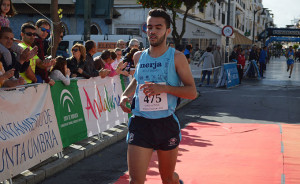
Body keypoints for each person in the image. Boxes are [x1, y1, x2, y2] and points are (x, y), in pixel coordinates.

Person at [120, 9, 196, 184]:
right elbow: (137, 81)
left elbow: (192, 92)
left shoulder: (177, 58)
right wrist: (125, 96)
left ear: (167, 31)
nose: (152, 31)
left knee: (168, 179)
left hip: (165, 123)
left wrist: (163, 88)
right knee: (135, 181)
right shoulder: (139, 56)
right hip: (140, 123)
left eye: (158, 27)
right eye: (149, 27)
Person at [33, 19, 55, 84]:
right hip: (33, 75)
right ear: (36, 28)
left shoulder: (39, 40)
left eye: (47, 31)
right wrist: (47, 79)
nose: (45, 32)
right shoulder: (37, 40)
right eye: (43, 30)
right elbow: (40, 65)